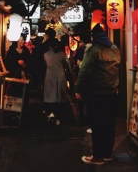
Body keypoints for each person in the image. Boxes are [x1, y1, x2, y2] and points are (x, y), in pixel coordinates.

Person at [74, 23, 120, 165]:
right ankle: (107, 153)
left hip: (97, 93)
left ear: (94, 37)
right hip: (112, 93)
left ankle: (98, 156)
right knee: (109, 124)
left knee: (97, 125)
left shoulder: (94, 50)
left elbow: (85, 71)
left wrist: (78, 89)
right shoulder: (114, 48)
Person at [43, 38, 73, 126]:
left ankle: (51, 113)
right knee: (60, 98)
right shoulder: (62, 54)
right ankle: (58, 116)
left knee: (50, 97)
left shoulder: (46, 55)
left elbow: (44, 66)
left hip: (49, 77)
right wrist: (70, 76)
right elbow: (68, 66)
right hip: (60, 77)